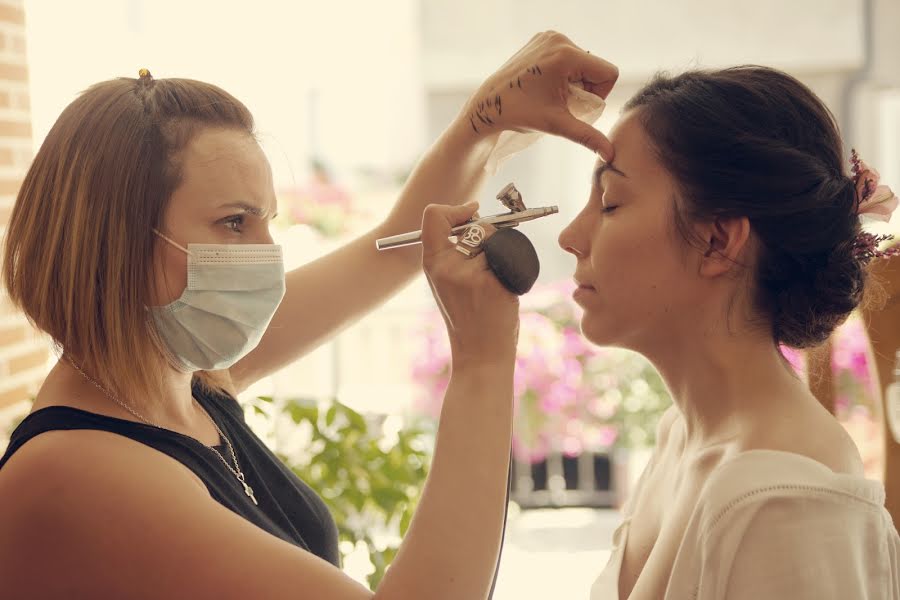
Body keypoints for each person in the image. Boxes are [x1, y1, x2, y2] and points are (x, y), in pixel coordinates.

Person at [0, 33, 618, 598]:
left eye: (268, 220)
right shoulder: (74, 475)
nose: (266, 254)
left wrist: (483, 121)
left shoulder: (179, 385)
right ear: (118, 242)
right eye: (235, 223)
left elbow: (393, 247)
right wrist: (483, 363)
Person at [557, 66, 900, 599]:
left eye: (610, 204)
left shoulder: (787, 499)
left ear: (718, 240)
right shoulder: (682, 436)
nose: (570, 236)